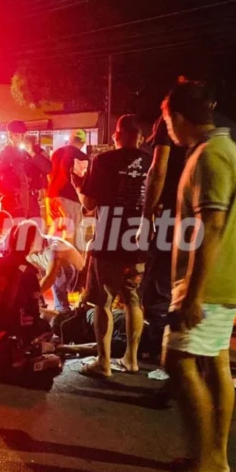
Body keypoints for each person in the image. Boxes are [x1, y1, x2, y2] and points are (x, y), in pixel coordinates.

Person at [155, 80, 236, 472]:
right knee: (215, 365)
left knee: (177, 359)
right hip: (228, 278)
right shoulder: (224, 150)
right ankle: (215, 457)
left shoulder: (211, 157)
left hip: (211, 285)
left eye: (166, 121)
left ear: (177, 118)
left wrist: (192, 295)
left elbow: (211, 227)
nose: (168, 130)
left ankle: (209, 464)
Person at [76, 114, 151, 378]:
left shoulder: (103, 161)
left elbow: (89, 204)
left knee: (102, 301)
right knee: (132, 299)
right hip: (139, 239)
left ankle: (104, 362)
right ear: (139, 137)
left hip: (109, 238)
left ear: (117, 135)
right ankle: (131, 359)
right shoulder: (150, 161)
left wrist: (77, 185)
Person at [141, 116, 188, 357]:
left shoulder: (172, 120)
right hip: (208, 222)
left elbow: (158, 169)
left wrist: (146, 215)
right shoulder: (231, 128)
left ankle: (161, 344)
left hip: (173, 216)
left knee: (157, 284)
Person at [0, 221, 46, 336]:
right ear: (30, 244)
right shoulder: (29, 270)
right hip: (7, 324)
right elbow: (34, 307)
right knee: (45, 328)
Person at [0, 120, 51, 220]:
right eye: (10, 136)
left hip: (31, 203)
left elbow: (48, 168)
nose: (13, 139)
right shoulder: (5, 154)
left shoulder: (35, 151)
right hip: (12, 204)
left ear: (24, 135)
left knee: (32, 232)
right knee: (14, 234)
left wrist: (32, 153)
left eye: (17, 136)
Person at [48, 129, 89, 248]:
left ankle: (53, 259)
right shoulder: (81, 156)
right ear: (82, 142)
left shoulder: (56, 153)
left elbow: (49, 174)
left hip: (52, 196)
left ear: (70, 139)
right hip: (70, 198)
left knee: (56, 230)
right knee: (71, 233)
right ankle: (70, 262)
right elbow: (82, 180)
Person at [27, 231, 85, 313]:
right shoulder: (31, 252)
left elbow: (51, 277)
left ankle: (62, 309)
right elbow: (34, 275)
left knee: (57, 271)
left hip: (79, 276)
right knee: (29, 274)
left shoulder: (53, 247)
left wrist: (32, 296)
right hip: (64, 276)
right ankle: (40, 305)